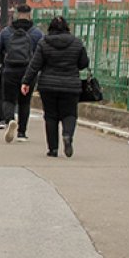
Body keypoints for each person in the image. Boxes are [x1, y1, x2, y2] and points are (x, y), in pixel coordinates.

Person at [21, 16, 89, 158]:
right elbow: (83, 64)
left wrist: (26, 82)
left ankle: (53, 149)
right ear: (67, 28)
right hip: (71, 85)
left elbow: (35, 65)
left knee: (50, 116)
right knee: (70, 114)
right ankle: (67, 135)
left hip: (48, 85)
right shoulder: (77, 43)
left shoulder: (43, 43)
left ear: (50, 28)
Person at [0, 5, 43, 143]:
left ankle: (10, 120)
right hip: (28, 72)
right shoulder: (36, 33)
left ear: (15, 15)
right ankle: (22, 133)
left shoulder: (6, 32)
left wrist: (4, 61)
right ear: (30, 15)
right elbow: (42, 53)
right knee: (24, 102)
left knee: (8, 99)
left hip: (9, 71)